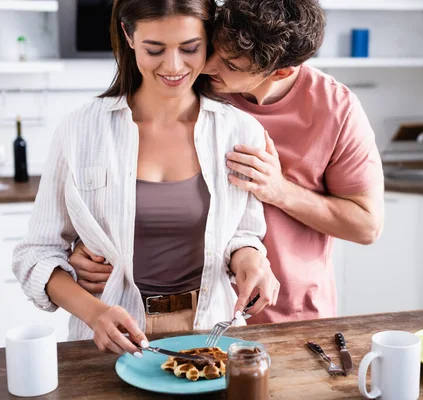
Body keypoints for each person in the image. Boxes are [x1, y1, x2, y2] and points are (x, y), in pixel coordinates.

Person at [69, 0, 384, 324]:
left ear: (282, 71)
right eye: (212, 49)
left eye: (231, 64)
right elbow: (131, 176)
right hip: (200, 316)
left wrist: (278, 189)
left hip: (291, 312)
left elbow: (367, 225)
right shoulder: (189, 85)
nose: (207, 66)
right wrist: (87, 243)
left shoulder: (336, 109)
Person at [12, 0, 279, 356]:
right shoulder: (80, 131)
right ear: (129, 35)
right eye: (155, 49)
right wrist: (96, 314)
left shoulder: (240, 130)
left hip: (211, 332)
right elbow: (36, 254)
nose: (173, 66)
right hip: (111, 338)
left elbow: (242, 234)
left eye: (190, 48)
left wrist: (250, 261)